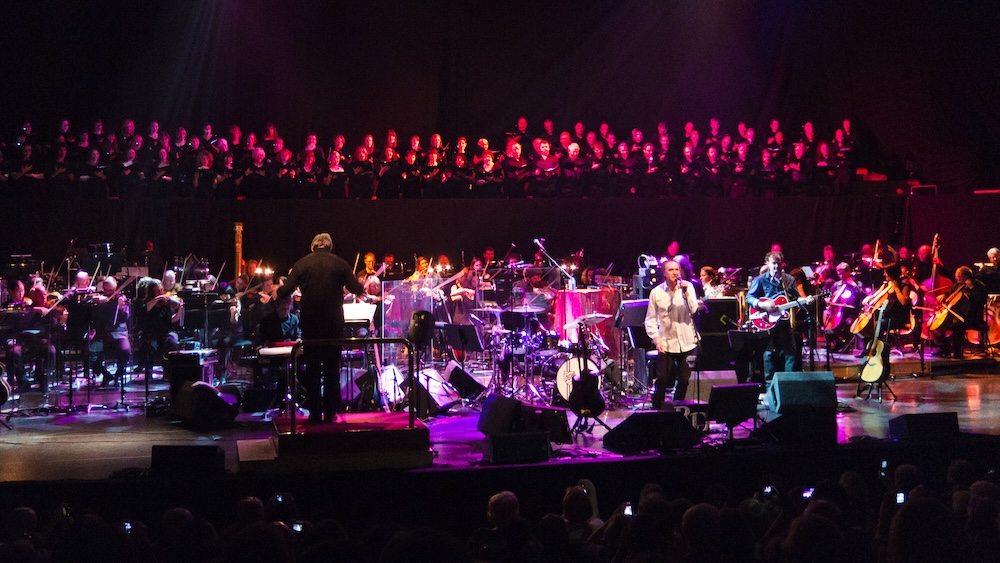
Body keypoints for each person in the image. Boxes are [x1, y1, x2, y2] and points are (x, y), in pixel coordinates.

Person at [275, 233, 371, 423]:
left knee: (312, 368)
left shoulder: (302, 263)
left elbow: (286, 290)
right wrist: (360, 286)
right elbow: (356, 288)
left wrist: (278, 290)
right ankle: (330, 413)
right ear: (330, 247)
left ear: (313, 247)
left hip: (310, 323)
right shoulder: (340, 264)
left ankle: (314, 414)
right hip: (333, 323)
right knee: (331, 369)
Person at [746, 251, 819, 385]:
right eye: (773, 263)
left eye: (778, 264)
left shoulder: (789, 280)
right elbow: (749, 297)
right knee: (769, 354)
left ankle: (788, 384)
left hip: (784, 321)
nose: (776, 267)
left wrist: (805, 300)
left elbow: (795, 298)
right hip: (767, 322)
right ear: (767, 263)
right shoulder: (760, 280)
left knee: (791, 352)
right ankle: (770, 386)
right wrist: (761, 304)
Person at [644, 260, 704, 407]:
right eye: (671, 270)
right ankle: (657, 408)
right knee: (662, 379)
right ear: (664, 273)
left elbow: (693, 309)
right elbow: (650, 319)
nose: (675, 273)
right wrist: (657, 340)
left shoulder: (688, 287)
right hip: (666, 341)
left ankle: (677, 407)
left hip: (686, 340)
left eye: (677, 269)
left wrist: (686, 293)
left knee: (684, 379)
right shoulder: (656, 292)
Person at [89, 276, 131, 387]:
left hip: (119, 334)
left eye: (110, 290)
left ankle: (119, 374)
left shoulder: (121, 300)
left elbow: (125, 318)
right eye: (105, 290)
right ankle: (105, 374)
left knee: (125, 351)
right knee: (88, 352)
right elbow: (94, 318)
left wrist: (121, 307)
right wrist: (98, 304)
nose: (107, 293)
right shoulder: (100, 300)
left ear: (115, 289)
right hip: (102, 334)